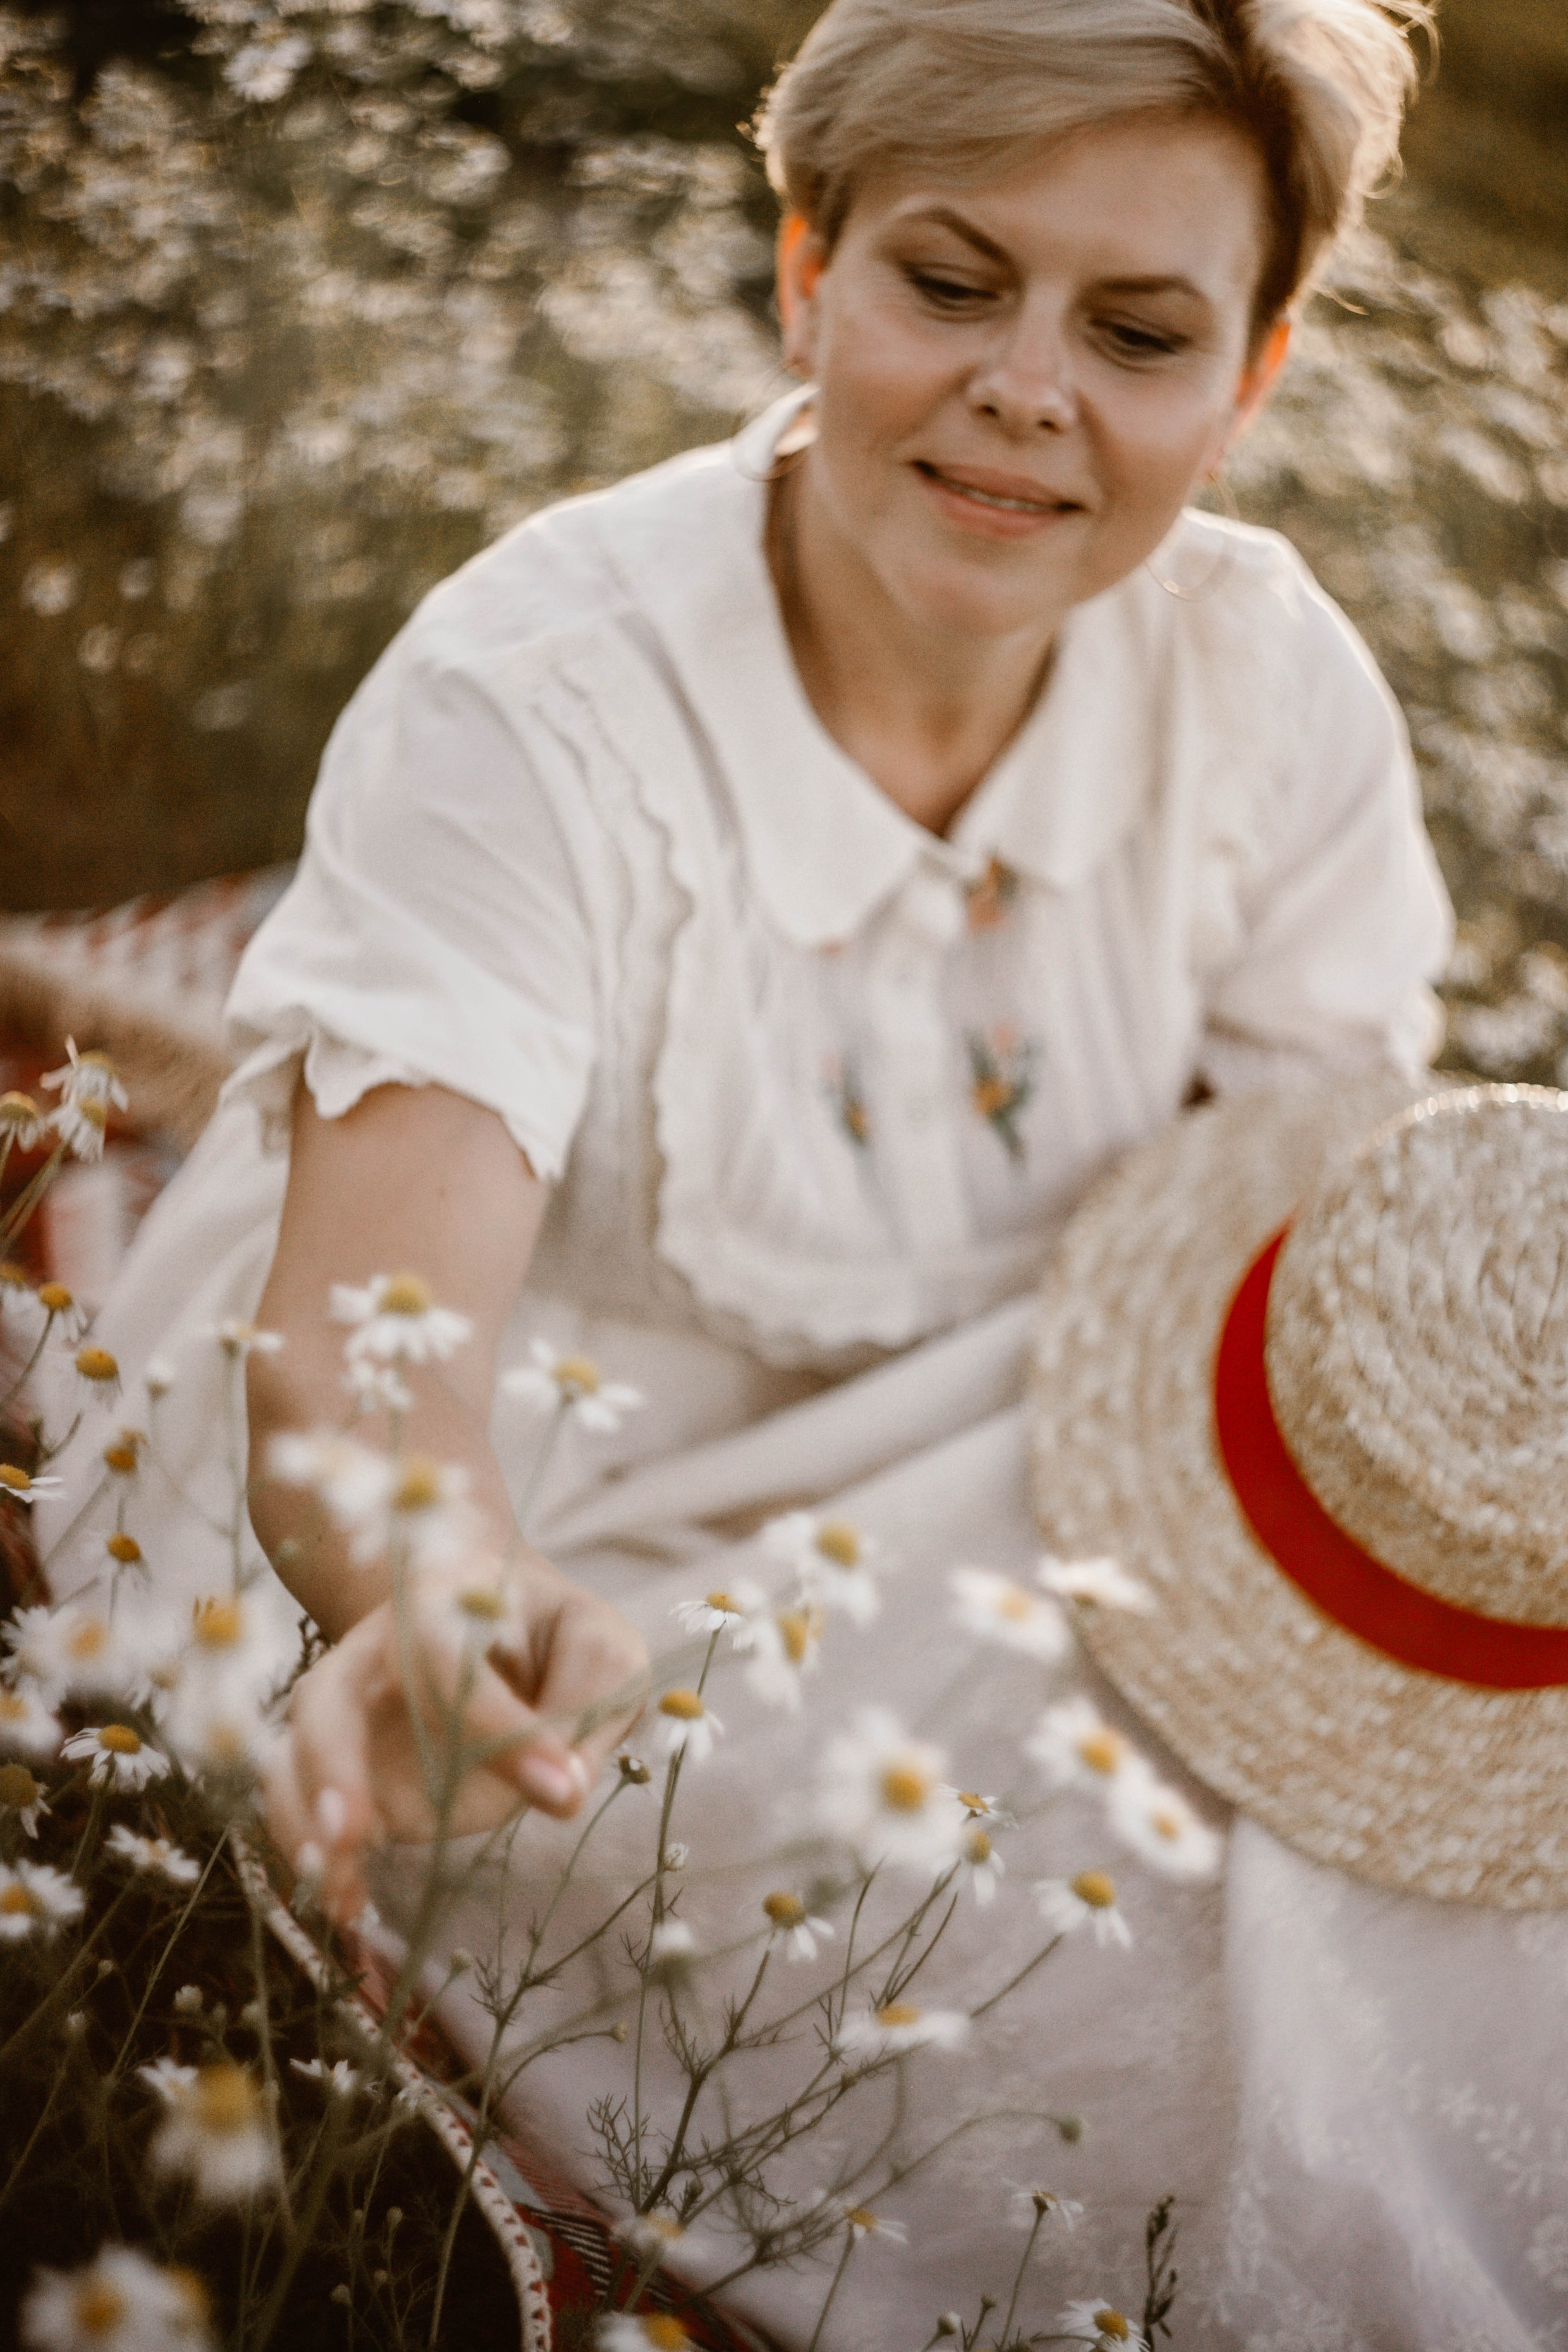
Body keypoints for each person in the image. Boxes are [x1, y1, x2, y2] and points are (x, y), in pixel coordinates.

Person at [36, 0, 1476, 2339]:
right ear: (805, 270)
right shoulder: (546, 695)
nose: (1031, 385)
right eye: (950, 280)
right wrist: (436, 1597)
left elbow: (1309, 1235)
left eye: (1137, 331)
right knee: (1132, 2001)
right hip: (585, 1562)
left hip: (1049, 1464)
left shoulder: (1265, 684)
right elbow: (374, 1340)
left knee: (1438, 1861)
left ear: (1257, 372)